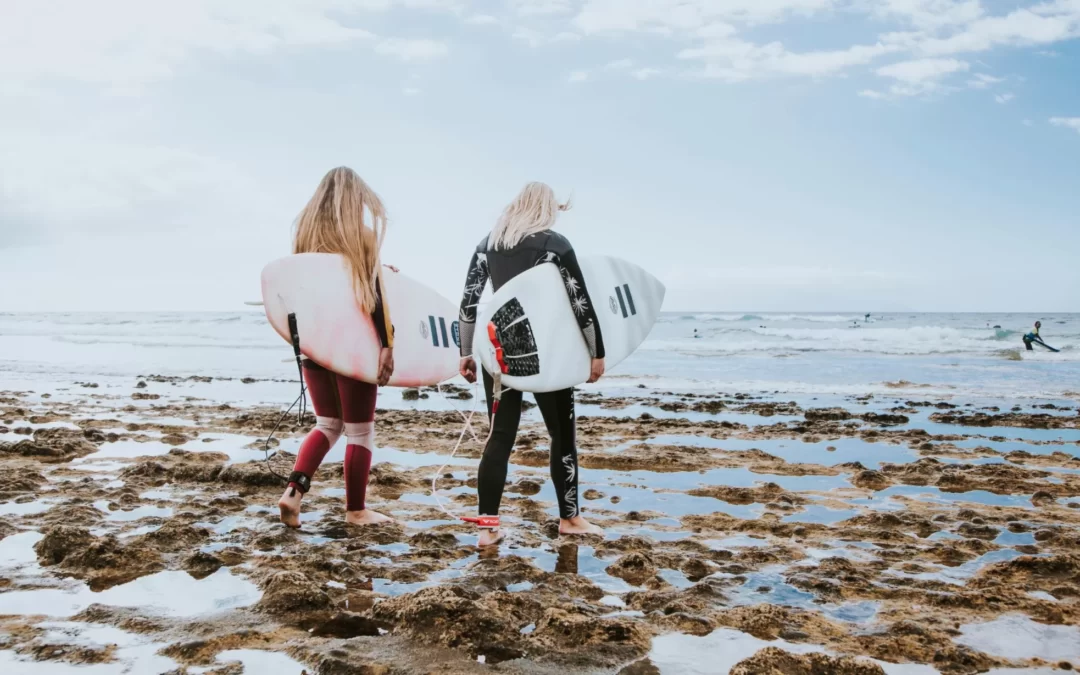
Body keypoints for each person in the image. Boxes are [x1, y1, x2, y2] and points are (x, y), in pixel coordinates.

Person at [457, 182, 605, 546]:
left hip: (499, 348)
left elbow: (468, 304)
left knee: (500, 437)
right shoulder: (554, 245)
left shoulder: (488, 245)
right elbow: (581, 303)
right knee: (562, 436)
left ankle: (487, 529)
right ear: (546, 209)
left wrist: (465, 352)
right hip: (546, 350)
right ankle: (569, 519)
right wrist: (596, 352)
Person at [277, 167, 395, 528]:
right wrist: (387, 343)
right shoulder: (362, 236)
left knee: (328, 423)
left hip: (314, 344)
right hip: (352, 346)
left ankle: (293, 493)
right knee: (359, 431)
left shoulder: (305, 235)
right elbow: (373, 296)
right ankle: (356, 510)